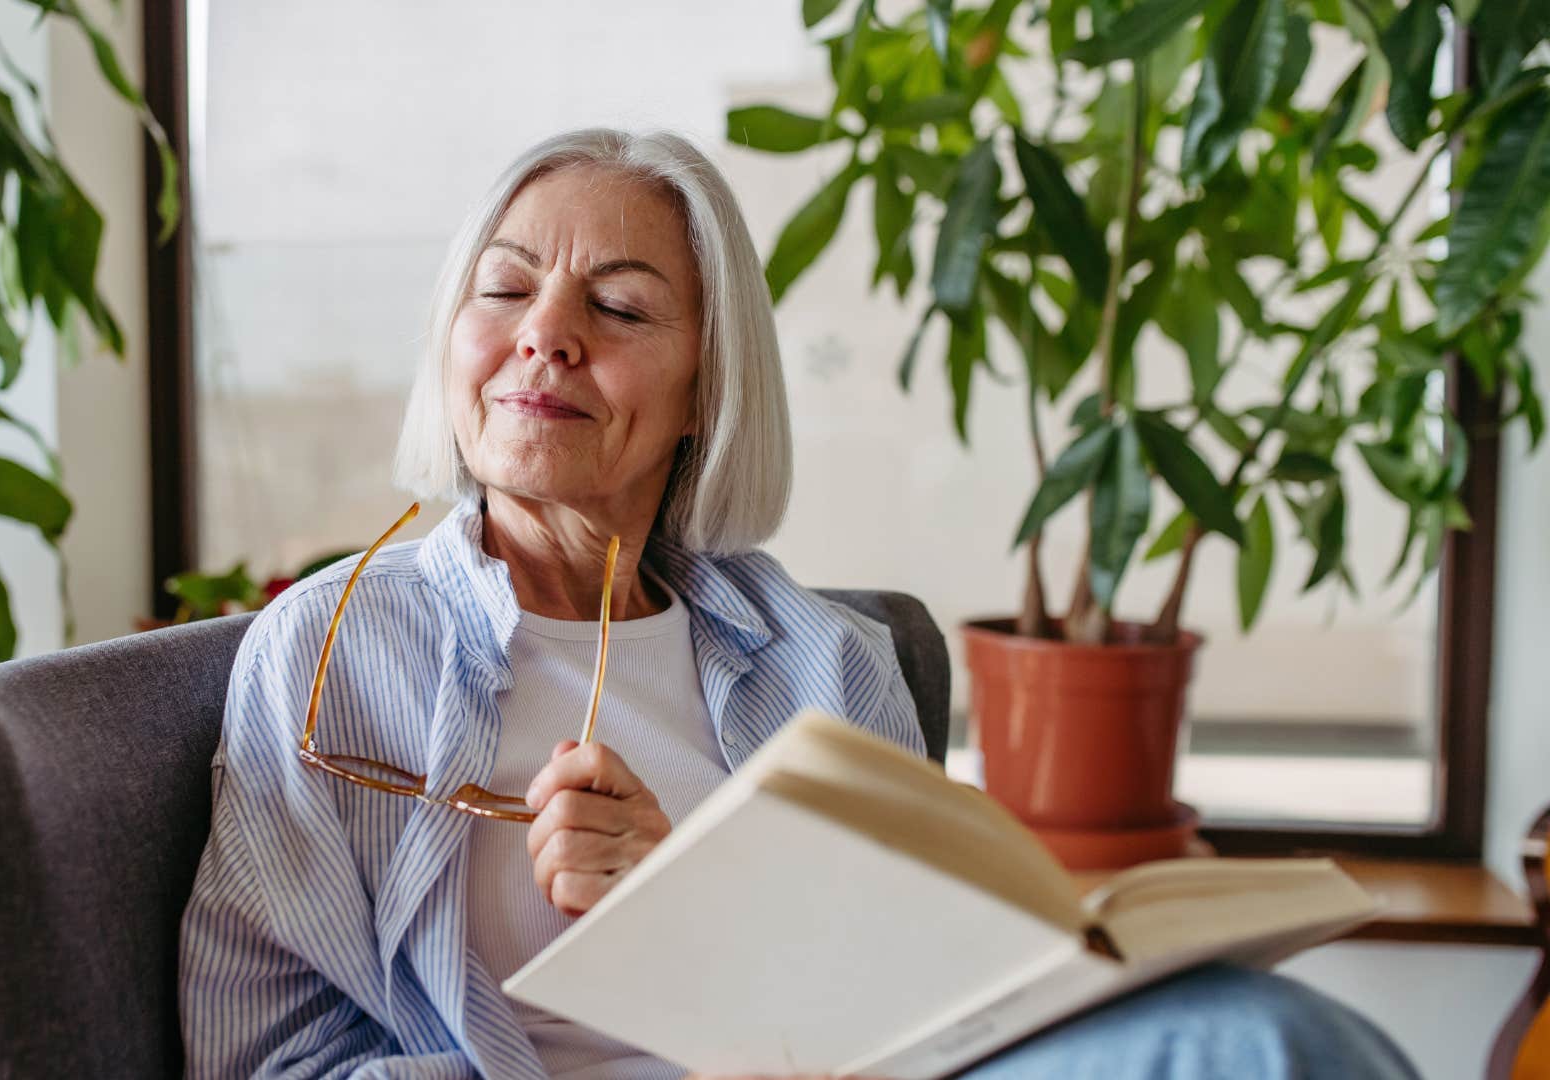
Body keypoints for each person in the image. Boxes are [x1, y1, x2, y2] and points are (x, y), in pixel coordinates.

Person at [177, 128, 1416, 1079]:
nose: (545, 334)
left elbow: (923, 1004)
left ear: (705, 392)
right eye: (505, 291)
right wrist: (658, 964)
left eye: (617, 308)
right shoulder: (334, 654)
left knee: (1267, 1038)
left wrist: (703, 916)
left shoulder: (828, 662)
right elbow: (265, 1060)